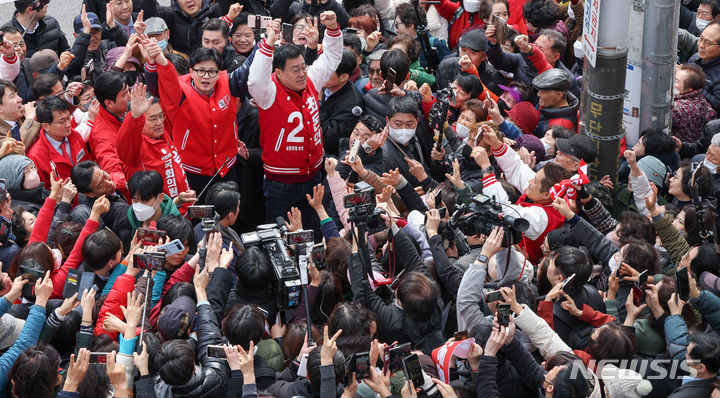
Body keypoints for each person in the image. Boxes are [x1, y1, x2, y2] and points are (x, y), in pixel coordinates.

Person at [247, 13, 343, 227]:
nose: (302, 74)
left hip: (315, 177)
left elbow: (331, 59)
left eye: (303, 67)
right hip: (283, 184)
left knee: (317, 232)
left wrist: (333, 29)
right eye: (295, 70)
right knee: (285, 237)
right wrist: (269, 43)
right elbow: (254, 79)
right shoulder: (268, 92)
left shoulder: (310, 80)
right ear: (278, 72)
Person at [144, 33, 252, 197]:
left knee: (230, 213)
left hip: (227, 165)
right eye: (200, 71)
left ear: (219, 72)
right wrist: (157, 60)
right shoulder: (180, 89)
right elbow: (159, 87)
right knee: (197, 216)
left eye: (211, 72)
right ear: (191, 71)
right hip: (193, 169)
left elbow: (249, 71)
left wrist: (268, 43)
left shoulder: (227, 81)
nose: (206, 77)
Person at [116, 84, 190, 200]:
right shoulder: (135, 149)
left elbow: (172, 96)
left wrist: (165, 65)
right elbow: (125, 142)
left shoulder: (162, 132)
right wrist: (134, 117)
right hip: (159, 214)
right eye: (153, 119)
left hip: (183, 206)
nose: (159, 122)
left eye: (161, 116)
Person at [26, 96, 90, 187]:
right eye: (62, 121)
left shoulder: (74, 135)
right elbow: (43, 193)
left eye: (68, 118)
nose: (68, 124)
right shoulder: (36, 156)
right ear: (46, 126)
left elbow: (88, 162)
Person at [89, 71, 131, 199]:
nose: (130, 97)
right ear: (109, 103)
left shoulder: (122, 113)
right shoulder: (103, 135)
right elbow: (111, 172)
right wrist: (133, 183)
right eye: (124, 94)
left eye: (128, 91)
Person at [320, 49, 364, 157]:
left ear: (343, 77)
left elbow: (329, 138)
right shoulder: (323, 86)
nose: (321, 73)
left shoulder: (352, 104)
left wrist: (318, 104)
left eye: (328, 71)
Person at [1, 0, 69, 58]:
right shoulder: (5, 35)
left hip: (54, 73)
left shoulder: (52, 23)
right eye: (43, 3)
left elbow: (66, 51)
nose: (47, 5)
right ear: (30, 10)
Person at [672, 63, 717, 143]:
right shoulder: (701, 99)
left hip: (680, 149)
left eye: (676, 81)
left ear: (689, 89)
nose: (671, 82)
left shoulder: (680, 108)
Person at [532, 67, 579, 136]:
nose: (538, 94)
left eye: (543, 91)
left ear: (559, 95)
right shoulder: (547, 102)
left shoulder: (562, 126)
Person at [690, 21, 720, 112]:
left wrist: (691, 82)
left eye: (708, 43)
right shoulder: (695, 58)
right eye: (701, 38)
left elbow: (717, 107)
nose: (701, 45)